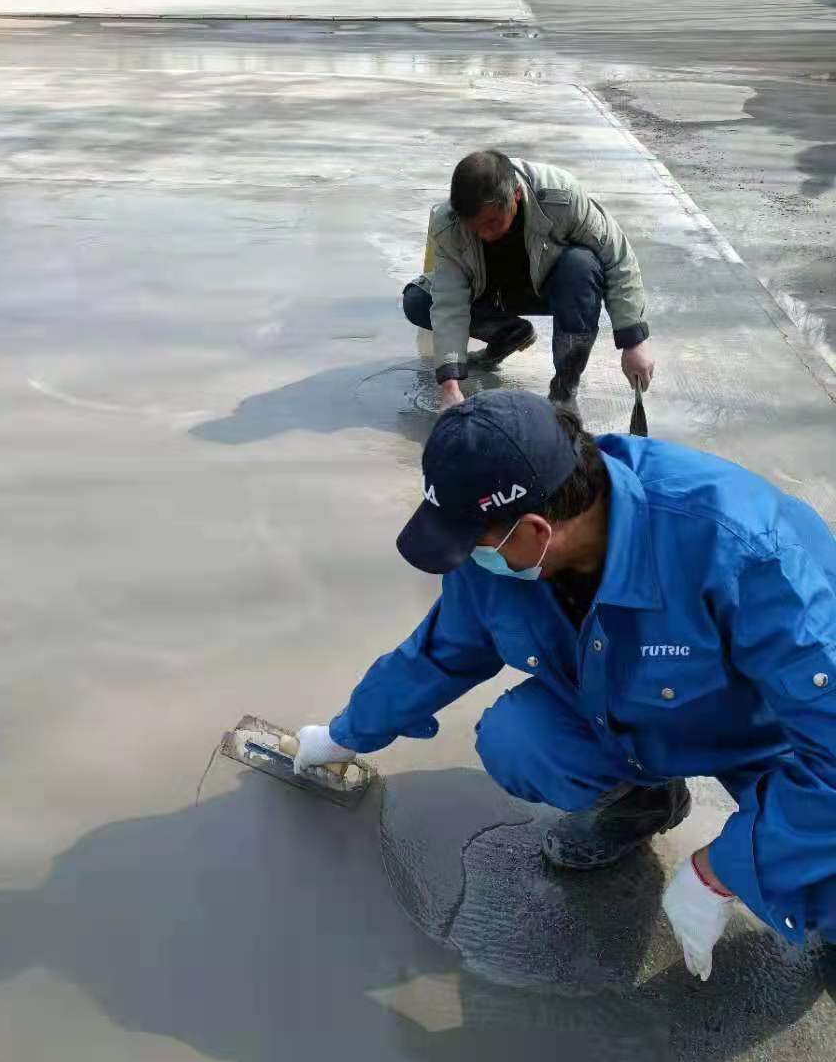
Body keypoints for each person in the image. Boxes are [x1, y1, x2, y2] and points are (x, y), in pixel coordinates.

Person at [295, 391, 836, 981]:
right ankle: (644, 801)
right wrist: (346, 734)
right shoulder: (500, 557)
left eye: (474, 544)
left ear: (533, 529)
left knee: (819, 888)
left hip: (773, 739)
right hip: (630, 713)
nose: (470, 561)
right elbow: (439, 653)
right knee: (518, 739)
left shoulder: (741, 549)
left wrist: (721, 871)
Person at [402, 150, 655, 410]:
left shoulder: (561, 196)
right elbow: (449, 300)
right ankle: (507, 332)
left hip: (548, 289)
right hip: (489, 295)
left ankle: (564, 392)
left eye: (492, 222)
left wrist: (633, 341)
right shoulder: (450, 224)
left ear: (516, 196)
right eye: (475, 227)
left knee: (582, 264)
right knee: (419, 299)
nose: (485, 234)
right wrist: (450, 387)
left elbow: (617, 258)